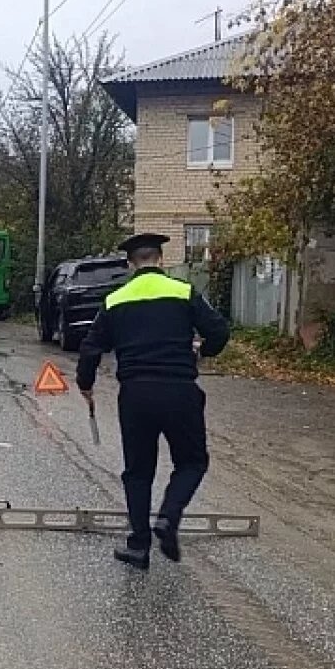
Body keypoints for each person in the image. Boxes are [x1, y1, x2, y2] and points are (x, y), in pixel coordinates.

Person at [76, 233, 230, 570]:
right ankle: (169, 517)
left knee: (138, 472)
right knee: (192, 462)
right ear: (160, 260)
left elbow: (91, 347)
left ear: (131, 264)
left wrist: (85, 384)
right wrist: (203, 351)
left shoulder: (116, 299)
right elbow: (219, 331)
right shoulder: (184, 292)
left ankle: (139, 546)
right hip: (179, 391)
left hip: (136, 396)